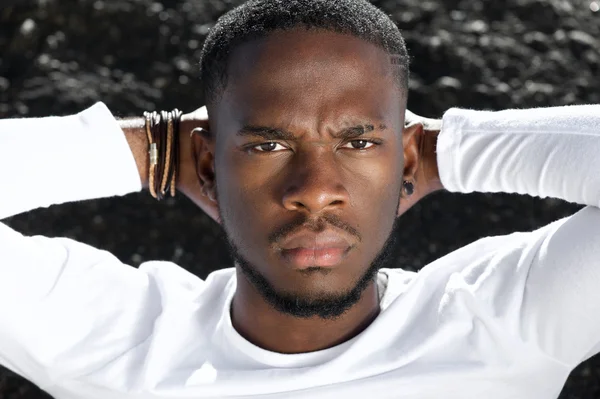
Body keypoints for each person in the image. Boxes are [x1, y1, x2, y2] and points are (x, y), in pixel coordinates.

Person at [1, 0, 599, 398]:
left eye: (359, 141)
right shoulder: (118, 343)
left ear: (407, 160)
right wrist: (153, 148)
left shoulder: (506, 321)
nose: (316, 190)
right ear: (207, 164)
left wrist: (452, 150)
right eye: (268, 145)